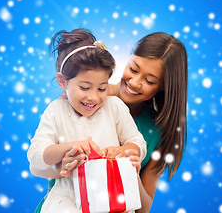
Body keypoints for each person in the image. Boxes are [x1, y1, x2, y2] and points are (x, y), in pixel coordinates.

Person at [31, 32, 188, 213]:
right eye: (133, 69)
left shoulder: (152, 128)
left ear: (163, 85)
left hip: (112, 204)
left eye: (149, 80)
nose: (135, 82)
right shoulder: (77, 100)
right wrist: (65, 165)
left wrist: (129, 167)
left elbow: (143, 208)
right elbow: (36, 164)